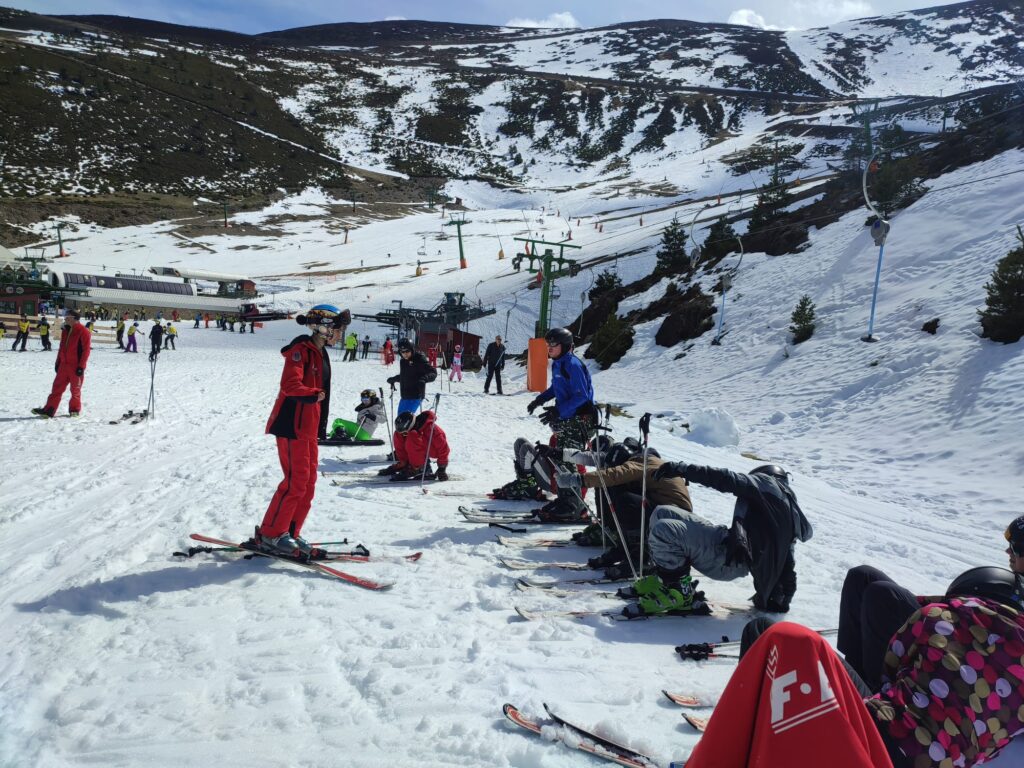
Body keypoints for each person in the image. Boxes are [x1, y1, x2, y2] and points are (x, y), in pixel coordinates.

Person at [836, 515, 1024, 693]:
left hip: (962, 651)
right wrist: (920, 603)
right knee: (862, 577)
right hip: (954, 624)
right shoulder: (1015, 581)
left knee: (880, 594)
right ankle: (854, 669)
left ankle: (875, 691)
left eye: (1014, 547)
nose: (1007, 551)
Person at [685, 621, 894, 768]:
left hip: (889, 724)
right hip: (895, 719)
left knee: (790, 640)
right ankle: (748, 716)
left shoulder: (926, 624)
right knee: (779, 635)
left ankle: (743, 720)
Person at [642, 461, 812, 615]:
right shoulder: (782, 506)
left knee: (664, 530)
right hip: (728, 543)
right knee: (662, 512)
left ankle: (679, 592)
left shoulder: (768, 485)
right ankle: (664, 579)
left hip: (728, 559)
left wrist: (683, 470)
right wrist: (783, 597)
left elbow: (726, 478)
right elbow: (787, 560)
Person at [253, 304, 349, 557]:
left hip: (309, 427)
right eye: (337, 328)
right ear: (323, 327)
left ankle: (290, 533)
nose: (340, 334)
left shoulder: (321, 353)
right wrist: (313, 394)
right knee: (295, 482)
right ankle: (271, 535)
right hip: (291, 425)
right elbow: (290, 385)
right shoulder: (300, 351)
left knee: (308, 483)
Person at [553, 440, 691, 575]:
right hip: (669, 514)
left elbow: (614, 474)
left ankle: (642, 557)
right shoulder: (646, 460)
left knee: (624, 497)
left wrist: (578, 479)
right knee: (612, 490)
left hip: (673, 520)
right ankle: (625, 546)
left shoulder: (639, 463)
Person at [525, 327, 598, 521]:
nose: (549, 348)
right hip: (569, 417)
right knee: (559, 456)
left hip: (581, 419)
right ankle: (567, 499)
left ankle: (574, 506)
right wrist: (539, 400)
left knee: (567, 458)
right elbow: (556, 387)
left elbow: (582, 396)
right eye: (548, 344)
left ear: (565, 346)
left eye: (553, 344)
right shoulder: (559, 364)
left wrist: (559, 410)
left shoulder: (572, 364)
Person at [32, 308, 91, 418]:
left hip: (75, 366)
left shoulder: (83, 331)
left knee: (75, 390)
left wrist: (81, 366)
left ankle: (74, 409)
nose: (65, 319)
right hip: (63, 366)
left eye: (68, 317)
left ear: (74, 318)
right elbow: (61, 348)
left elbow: (86, 351)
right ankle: (49, 410)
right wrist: (58, 362)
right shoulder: (65, 331)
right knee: (56, 388)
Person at [378, 409, 449, 481]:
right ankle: (405, 463)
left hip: (433, 450)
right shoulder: (413, 427)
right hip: (420, 447)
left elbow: (443, 448)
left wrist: (442, 468)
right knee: (398, 434)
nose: (404, 435)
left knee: (413, 435)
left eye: (405, 432)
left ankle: (418, 468)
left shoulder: (431, 429)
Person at [386, 338, 437, 415]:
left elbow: (433, 372)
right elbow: (405, 376)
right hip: (404, 397)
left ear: (412, 349)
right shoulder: (403, 361)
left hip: (415, 396)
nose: (405, 354)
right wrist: (394, 379)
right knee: (400, 420)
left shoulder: (419, 359)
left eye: (407, 351)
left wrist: (424, 379)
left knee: (406, 421)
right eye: (402, 352)